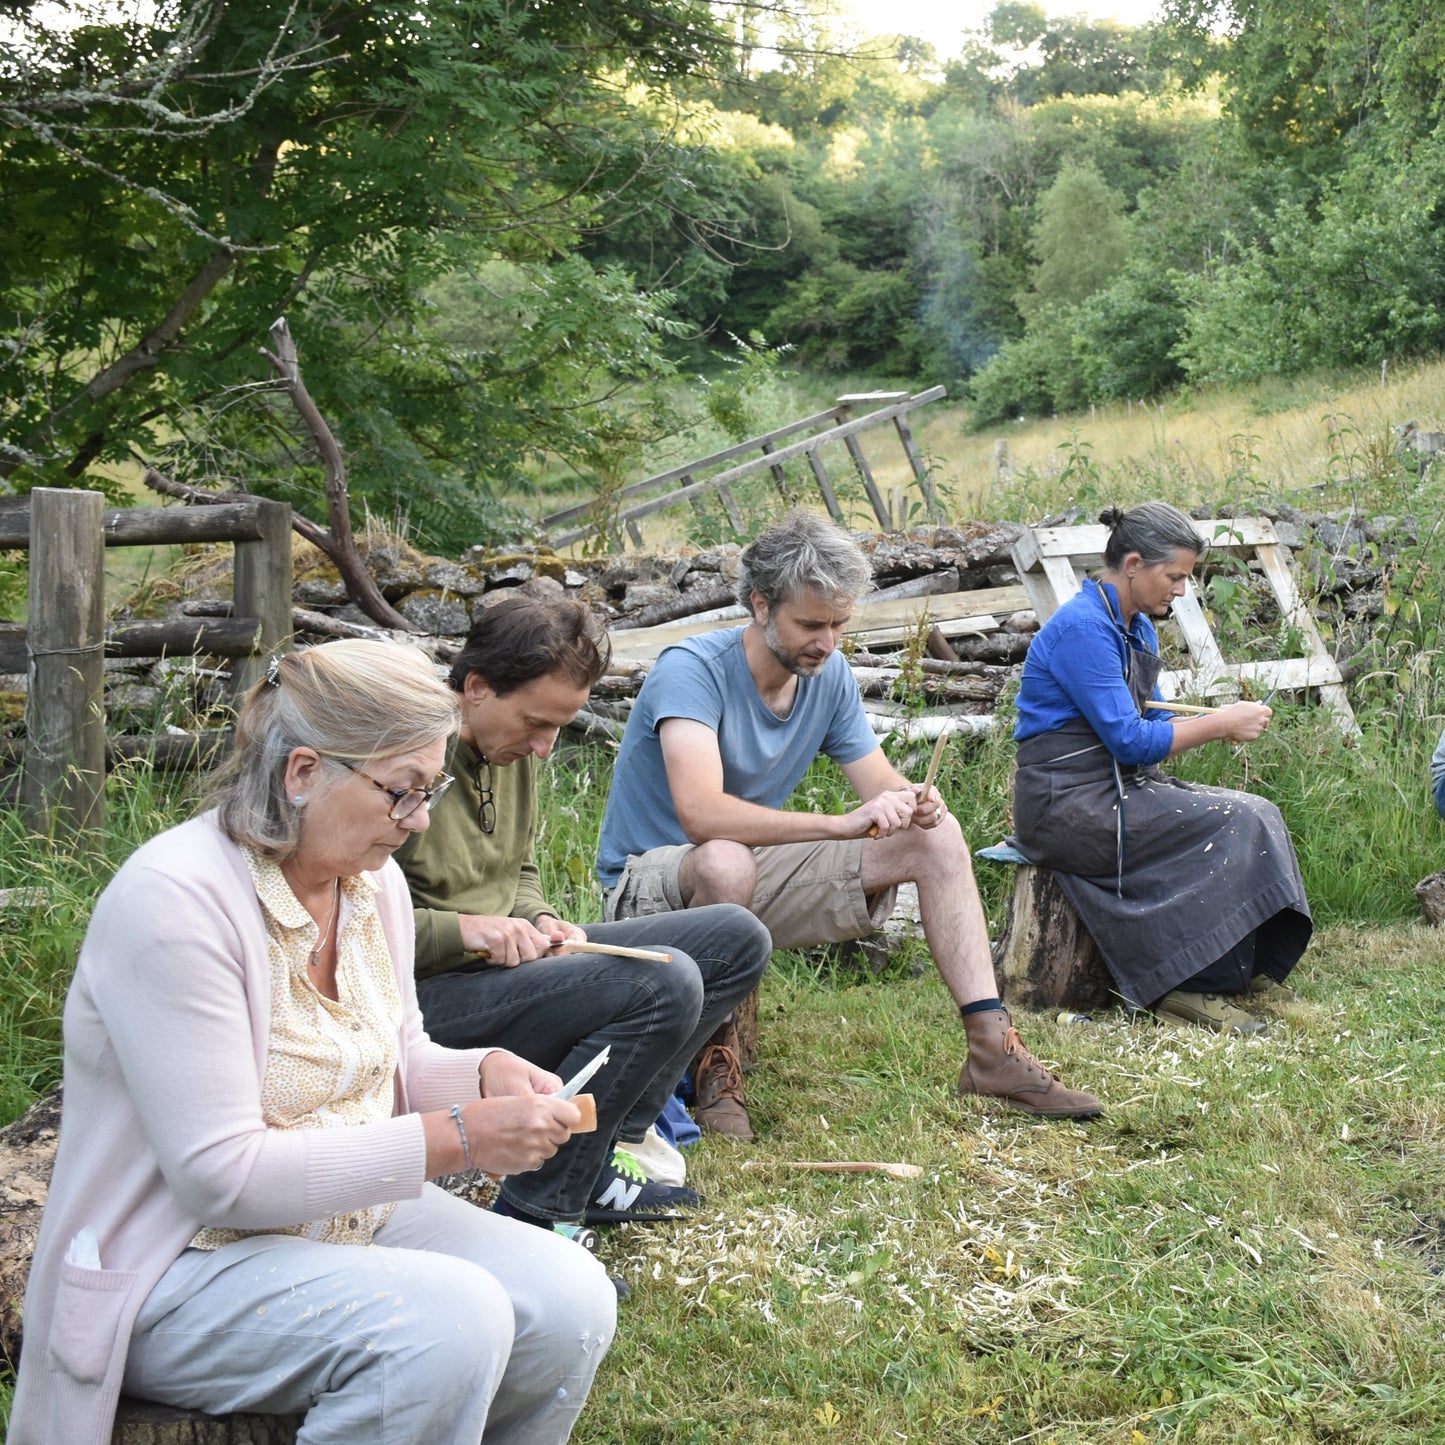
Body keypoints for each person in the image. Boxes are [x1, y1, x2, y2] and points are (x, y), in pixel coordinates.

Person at [11, 641, 615, 1445]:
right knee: (444, 1322)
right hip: (168, 1269)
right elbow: (222, 1180)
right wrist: (459, 1138)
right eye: (402, 791)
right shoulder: (174, 905)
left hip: (339, 1220)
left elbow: (393, 1060)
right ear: (302, 773)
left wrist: (484, 1075)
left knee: (569, 1291)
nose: (421, 818)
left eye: (429, 788)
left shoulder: (371, 883)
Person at [595, 509, 1102, 1127]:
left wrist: (913, 801)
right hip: (645, 890)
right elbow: (702, 815)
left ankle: (992, 1050)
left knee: (935, 836)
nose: (827, 642)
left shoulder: (826, 674)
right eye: (811, 624)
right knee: (725, 858)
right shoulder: (692, 670)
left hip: (747, 876)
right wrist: (837, 824)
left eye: (839, 624)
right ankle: (713, 1062)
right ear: (760, 605)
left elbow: (880, 784)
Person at [396, 594, 771, 1221]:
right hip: (423, 1000)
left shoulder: (507, 750)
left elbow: (518, 868)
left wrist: (539, 918)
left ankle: (607, 1144)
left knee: (736, 938)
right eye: (536, 723)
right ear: (478, 688)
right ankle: (542, 1202)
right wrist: (469, 932)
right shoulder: (406, 761)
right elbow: (350, 929)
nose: (546, 747)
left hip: (502, 974)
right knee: (665, 980)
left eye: (558, 727)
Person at [1010, 501, 1313, 1035]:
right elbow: (1130, 742)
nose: (1180, 589)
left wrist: (1208, 718)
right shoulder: (1083, 629)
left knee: (1257, 811)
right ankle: (1188, 984)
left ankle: (1245, 963)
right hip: (1065, 805)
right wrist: (1221, 723)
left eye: (1186, 577)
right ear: (1132, 565)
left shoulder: (1137, 628)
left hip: (1115, 787)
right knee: (1234, 821)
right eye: (1174, 576)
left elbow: (1146, 718)